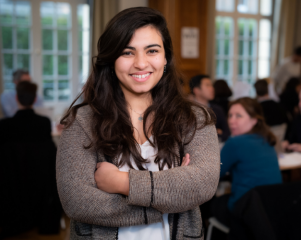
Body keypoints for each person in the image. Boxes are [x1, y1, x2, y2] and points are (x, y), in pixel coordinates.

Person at [56, 7, 220, 240]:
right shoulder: (82, 122)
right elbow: (77, 202)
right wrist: (169, 197)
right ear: (111, 59)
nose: (141, 63)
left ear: (165, 58)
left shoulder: (195, 118)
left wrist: (121, 182)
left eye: (152, 50)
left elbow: (202, 185)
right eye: (127, 52)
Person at [210, 97, 282, 230]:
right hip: (273, 209)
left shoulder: (235, 143)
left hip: (247, 209)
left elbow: (213, 174)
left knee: (210, 205)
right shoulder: (266, 139)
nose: (232, 120)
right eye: (230, 115)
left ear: (254, 120)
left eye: (238, 116)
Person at [0, 81, 60, 237]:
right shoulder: (44, 123)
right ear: (34, 99)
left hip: (13, 185)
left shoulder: (5, 126)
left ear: (16, 98)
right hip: (40, 183)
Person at [189, 74, 230, 142]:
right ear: (196, 90)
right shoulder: (188, 110)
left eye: (211, 85)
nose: (212, 88)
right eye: (207, 85)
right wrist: (215, 132)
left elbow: (226, 134)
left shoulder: (218, 109)